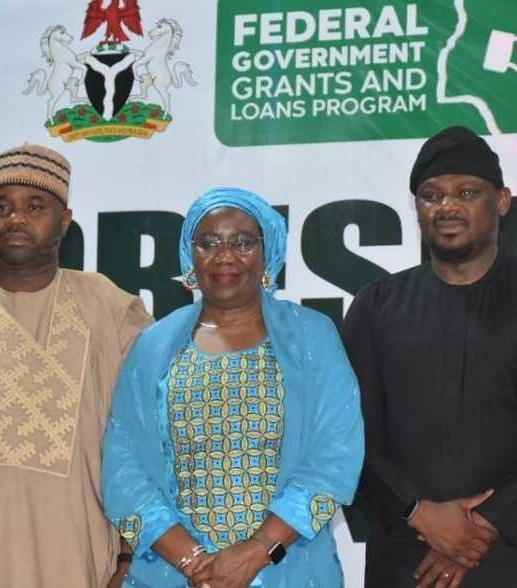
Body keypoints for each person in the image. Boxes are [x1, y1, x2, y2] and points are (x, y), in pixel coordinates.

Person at [102, 187, 364, 587]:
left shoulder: (312, 336)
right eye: (209, 243)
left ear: (266, 252)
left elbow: (334, 457)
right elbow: (123, 468)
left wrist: (257, 552)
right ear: (190, 256)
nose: (225, 255)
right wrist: (195, 564)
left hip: (288, 570)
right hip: (174, 574)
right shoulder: (152, 347)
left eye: (242, 242)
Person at [0, 144, 153, 588]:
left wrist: (130, 555)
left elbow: (148, 439)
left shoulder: (109, 308)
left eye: (34, 207)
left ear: (64, 221)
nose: (15, 219)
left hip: (74, 555)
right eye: (0, 207)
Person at [342, 126, 517, 587]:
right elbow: (350, 433)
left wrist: (485, 525)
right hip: (406, 558)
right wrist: (418, 512)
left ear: (502, 201)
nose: (447, 206)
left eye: (467, 192)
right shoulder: (376, 307)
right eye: (431, 195)